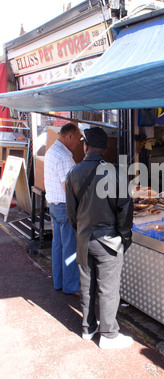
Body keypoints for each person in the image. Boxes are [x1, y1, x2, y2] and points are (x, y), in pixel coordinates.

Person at [65, 127, 134, 349]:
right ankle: (109, 335)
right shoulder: (115, 172)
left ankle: (87, 328)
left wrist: (82, 231)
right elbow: (125, 209)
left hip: (84, 239)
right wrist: (124, 238)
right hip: (109, 241)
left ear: (85, 146)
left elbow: (71, 213)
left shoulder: (73, 173)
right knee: (108, 288)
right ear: (105, 148)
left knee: (87, 286)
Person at [44, 122, 81, 295]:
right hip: (65, 207)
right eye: (78, 138)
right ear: (70, 136)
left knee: (58, 246)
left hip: (53, 205)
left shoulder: (52, 150)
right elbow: (69, 187)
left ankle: (59, 282)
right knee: (70, 248)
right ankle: (72, 286)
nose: (79, 143)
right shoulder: (64, 157)